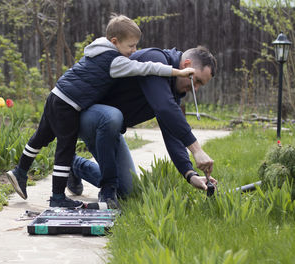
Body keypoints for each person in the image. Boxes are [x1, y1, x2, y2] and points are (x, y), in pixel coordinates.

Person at [6, 14, 195, 208]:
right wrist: (178, 72)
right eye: (131, 46)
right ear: (115, 41)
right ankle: (57, 197)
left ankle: (20, 171)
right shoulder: (116, 61)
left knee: (39, 138)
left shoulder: (97, 50)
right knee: (65, 149)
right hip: (70, 105)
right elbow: (147, 68)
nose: (134, 50)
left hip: (56, 95)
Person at [67, 46, 218, 204]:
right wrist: (197, 150)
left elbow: (172, 134)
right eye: (197, 81)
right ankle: (102, 183)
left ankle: (73, 165)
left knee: (127, 190)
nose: (195, 88)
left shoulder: (172, 89)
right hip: (84, 114)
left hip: (110, 128)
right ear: (186, 65)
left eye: (201, 85)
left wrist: (190, 175)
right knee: (113, 116)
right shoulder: (155, 59)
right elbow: (165, 107)